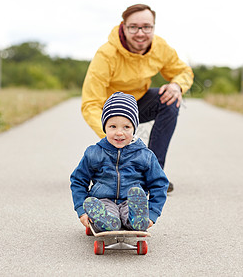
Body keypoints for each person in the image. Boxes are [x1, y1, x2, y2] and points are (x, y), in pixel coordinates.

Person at [81, 4, 194, 193]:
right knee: (117, 151)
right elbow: (90, 103)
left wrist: (177, 85)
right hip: (113, 109)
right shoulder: (106, 54)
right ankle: (114, 172)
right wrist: (113, 135)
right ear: (123, 27)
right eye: (133, 27)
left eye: (146, 27)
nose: (140, 33)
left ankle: (153, 172)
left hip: (140, 102)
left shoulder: (160, 47)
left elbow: (183, 71)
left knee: (171, 99)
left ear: (153, 27)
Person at [70, 92, 169, 231]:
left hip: (131, 201)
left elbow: (159, 184)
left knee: (132, 212)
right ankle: (105, 220)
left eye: (126, 127)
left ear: (134, 128)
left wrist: (152, 213)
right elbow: (78, 181)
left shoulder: (145, 155)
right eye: (113, 126)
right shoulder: (94, 153)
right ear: (104, 127)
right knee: (105, 211)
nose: (119, 133)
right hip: (103, 200)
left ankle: (137, 218)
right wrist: (81, 209)